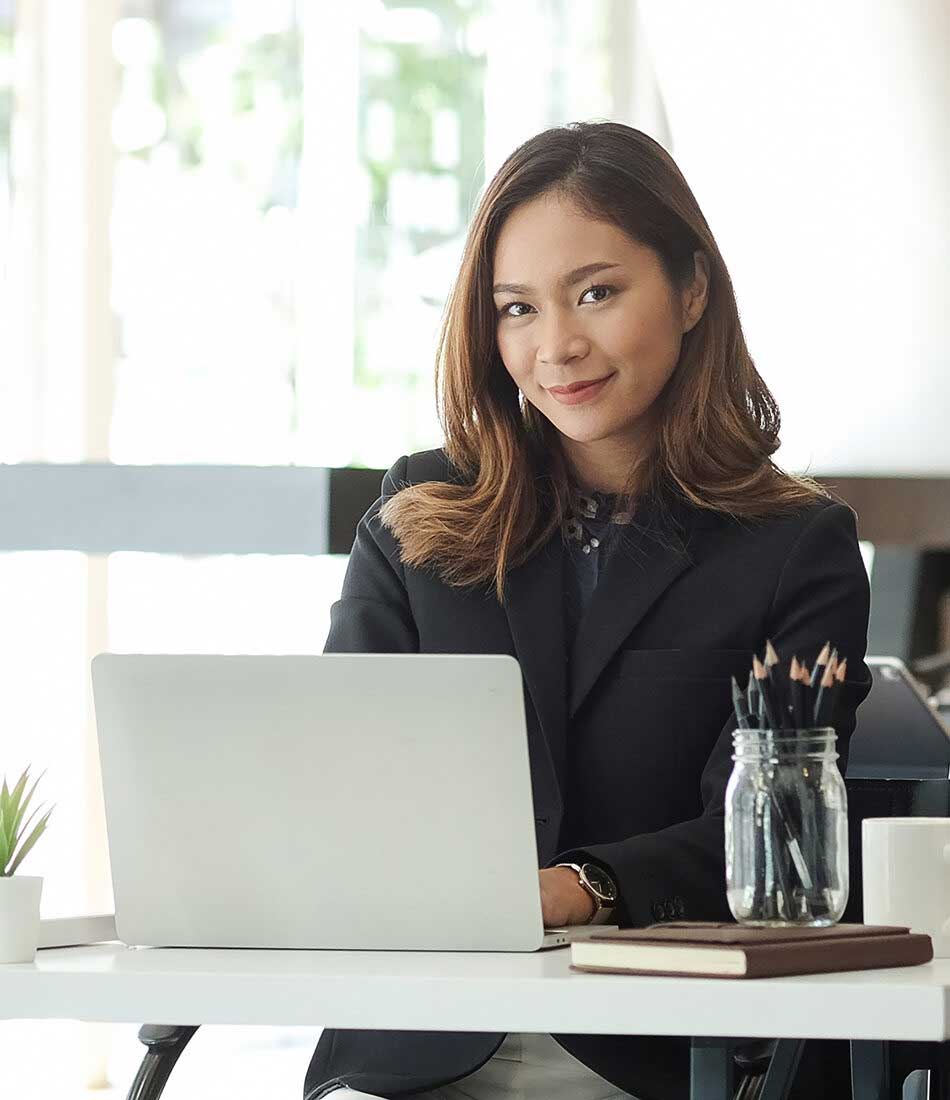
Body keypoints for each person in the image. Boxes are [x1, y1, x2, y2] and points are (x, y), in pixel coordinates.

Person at [304, 121, 872, 1100]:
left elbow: (765, 835)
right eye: (516, 309)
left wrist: (580, 886)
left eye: (596, 293)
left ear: (691, 290)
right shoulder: (418, 514)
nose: (556, 345)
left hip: (655, 1056)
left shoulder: (793, 546)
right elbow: (329, 779)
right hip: (412, 1047)